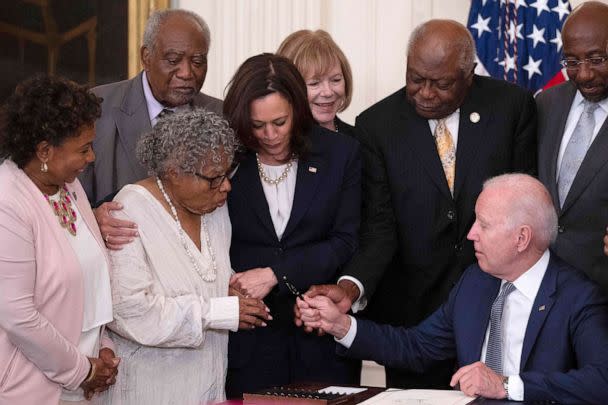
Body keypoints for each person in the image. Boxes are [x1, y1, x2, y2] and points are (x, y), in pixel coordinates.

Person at [301, 19, 537, 389]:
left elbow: (527, 207)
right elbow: (380, 227)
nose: (425, 93)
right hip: (412, 316)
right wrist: (351, 287)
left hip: (498, 306)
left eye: (441, 84)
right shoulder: (378, 124)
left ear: (468, 74)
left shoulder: (512, 107)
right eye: (415, 79)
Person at [299, 174, 608, 404]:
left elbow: (602, 381)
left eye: (484, 225)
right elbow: (416, 348)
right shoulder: (475, 282)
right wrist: (342, 326)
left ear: (521, 238)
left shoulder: (578, 297)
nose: (471, 233)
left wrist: (507, 385)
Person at [102, 109, 271, 405]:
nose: (226, 186)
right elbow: (130, 312)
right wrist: (216, 311)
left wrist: (227, 290)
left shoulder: (214, 208)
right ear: (173, 172)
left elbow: (203, 272)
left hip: (208, 382)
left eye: (228, 174)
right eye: (214, 178)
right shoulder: (129, 210)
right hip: (149, 388)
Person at [223, 54, 361, 398]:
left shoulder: (340, 153)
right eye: (258, 126)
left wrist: (275, 273)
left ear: (297, 110)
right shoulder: (227, 158)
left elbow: (345, 241)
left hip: (320, 340)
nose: (270, 135)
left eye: (280, 122)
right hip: (248, 342)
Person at [0, 75, 119, 405]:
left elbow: (88, 281)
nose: (91, 157)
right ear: (44, 151)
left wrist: (103, 346)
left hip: (84, 383)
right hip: (30, 388)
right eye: (83, 149)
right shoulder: (7, 202)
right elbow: (17, 315)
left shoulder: (68, 185)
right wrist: (81, 370)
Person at [83, 9, 222, 250]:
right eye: (173, 60)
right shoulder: (98, 109)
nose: (187, 73)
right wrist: (92, 218)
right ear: (146, 56)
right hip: (119, 261)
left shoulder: (221, 115)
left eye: (198, 61)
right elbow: (63, 199)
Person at [536, 1, 608, 295]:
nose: (585, 74)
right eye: (572, 62)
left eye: (597, 58)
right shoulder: (545, 104)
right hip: (544, 284)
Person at [277, 29, 356, 137]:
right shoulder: (276, 145)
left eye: (336, 80)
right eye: (314, 83)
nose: (328, 92)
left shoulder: (359, 140)